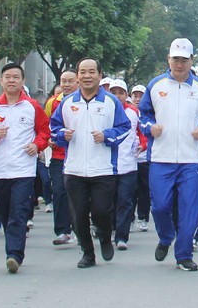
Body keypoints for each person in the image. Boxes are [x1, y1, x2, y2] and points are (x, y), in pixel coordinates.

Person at [139, 38, 198, 272]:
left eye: (184, 60)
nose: (180, 64)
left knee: (189, 209)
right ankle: (165, 237)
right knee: (161, 206)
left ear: (191, 60)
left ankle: (184, 254)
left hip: (191, 159)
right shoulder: (156, 85)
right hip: (161, 158)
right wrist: (149, 127)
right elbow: (143, 114)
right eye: (176, 59)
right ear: (169, 59)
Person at [50, 59, 131, 268]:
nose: (87, 76)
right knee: (78, 216)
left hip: (103, 168)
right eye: (83, 72)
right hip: (74, 169)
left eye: (91, 72)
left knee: (101, 211)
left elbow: (124, 128)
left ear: (99, 74)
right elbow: (53, 128)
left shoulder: (111, 102)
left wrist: (106, 135)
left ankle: (104, 238)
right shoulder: (67, 103)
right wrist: (62, 135)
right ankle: (87, 252)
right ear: (77, 76)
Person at [0, 63, 50, 273]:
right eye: (7, 77)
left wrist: (37, 145)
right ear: (1, 81)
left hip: (23, 170)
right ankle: (12, 248)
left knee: (18, 213)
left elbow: (44, 131)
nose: (11, 80)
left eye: (15, 77)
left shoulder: (32, 106)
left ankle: (14, 255)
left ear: (22, 81)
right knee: (4, 211)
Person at [109, 79, 145, 250]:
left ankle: (122, 237)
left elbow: (143, 133)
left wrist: (142, 145)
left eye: (121, 93)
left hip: (128, 164)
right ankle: (110, 229)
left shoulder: (133, 112)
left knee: (125, 201)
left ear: (126, 95)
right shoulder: (103, 111)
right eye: (113, 93)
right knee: (107, 202)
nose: (117, 96)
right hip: (106, 166)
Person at [48, 69, 78, 246]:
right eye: (63, 81)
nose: (66, 85)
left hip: (78, 156)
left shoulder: (85, 101)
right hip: (59, 156)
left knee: (77, 195)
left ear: (78, 82)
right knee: (59, 192)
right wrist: (50, 140)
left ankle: (79, 228)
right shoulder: (53, 103)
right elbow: (47, 126)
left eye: (70, 81)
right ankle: (62, 231)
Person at [130, 85, 151, 232]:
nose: (137, 99)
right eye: (135, 96)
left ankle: (143, 217)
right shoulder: (126, 111)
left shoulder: (149, 112)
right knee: (129, 190)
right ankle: (129, 217)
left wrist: (143, 146)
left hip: (145, 158)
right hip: (128, 160)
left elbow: (147, 133)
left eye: (141, 96)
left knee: (144, 190)